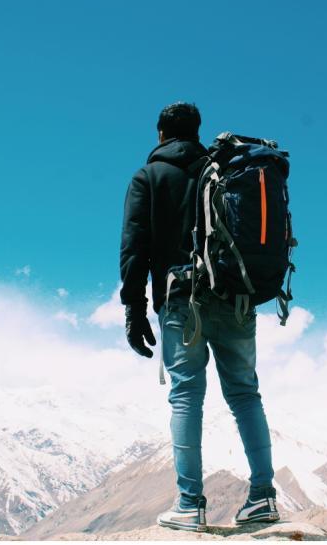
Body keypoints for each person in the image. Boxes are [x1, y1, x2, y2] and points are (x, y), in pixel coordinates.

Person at [119, 102, 280, 532]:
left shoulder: (149, 177)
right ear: (196, 131)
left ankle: (190, 504)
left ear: (160, 134)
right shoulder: (224, 170)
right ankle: (263, 497)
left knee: (187, 396)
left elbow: (135, 248)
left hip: (181, 300)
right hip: (235, 297)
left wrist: (135, 310)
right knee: (246, 394)